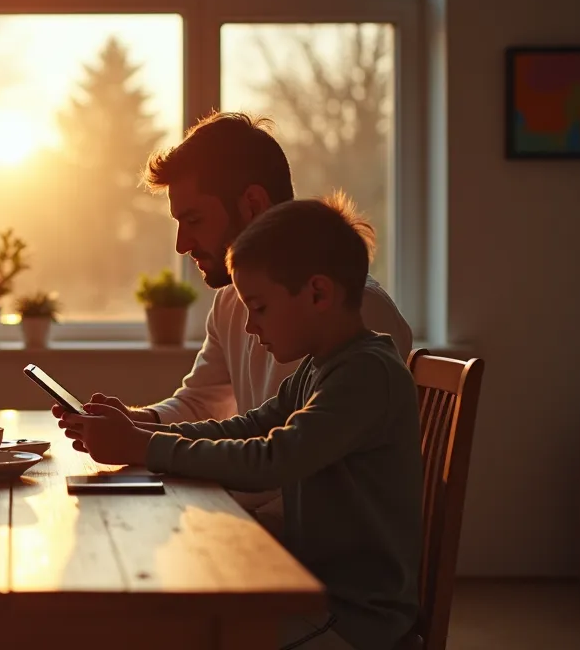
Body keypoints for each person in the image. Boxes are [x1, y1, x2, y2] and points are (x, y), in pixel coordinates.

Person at [59, 197, 423, 650]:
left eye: (260, 307)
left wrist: (142, 448)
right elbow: (247, 427)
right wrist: (142, 434)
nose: (250, 326)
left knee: (179, 633)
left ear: (318, 294)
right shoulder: (320, 367)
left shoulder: (367, 374)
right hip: (310, 590)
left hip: (353, 617)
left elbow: (272, 459)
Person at [54, 111, 413, 517]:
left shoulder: (358, 318)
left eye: (194, 219)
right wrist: (136, 426)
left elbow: (281, 463)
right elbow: (217, 411)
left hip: (303, 544)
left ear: (252, 205)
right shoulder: (249, 311)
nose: (181, 245)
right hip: (260, 520)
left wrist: (145, 447)